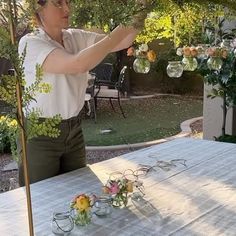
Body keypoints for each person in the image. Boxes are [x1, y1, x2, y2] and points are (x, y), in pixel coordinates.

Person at [18, 0, 147, 185]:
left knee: (78, 195)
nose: (67, 9)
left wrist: (142, 9)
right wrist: (114, 34)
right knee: (39, 201)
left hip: (74, 130)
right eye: (58, 3)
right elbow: (77, 64)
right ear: (39, 8)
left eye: (67, 2)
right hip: (40, 135)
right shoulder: (30, 43)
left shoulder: (75, 37)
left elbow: (123, 41)